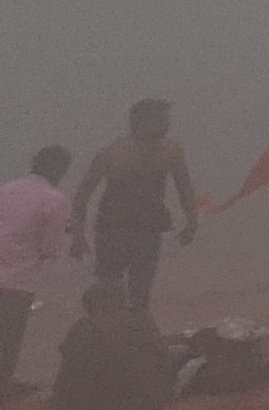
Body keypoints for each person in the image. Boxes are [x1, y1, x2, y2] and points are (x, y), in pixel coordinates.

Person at [66, 102, 196, 316]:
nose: (167, 124)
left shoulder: (171, 151)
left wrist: (192, 223)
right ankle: (108, 337)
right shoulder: (112, 153)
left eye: (166, 119)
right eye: (161, 120)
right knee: (109, 288)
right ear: (141, 123)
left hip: (148, 228)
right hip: (112, 228)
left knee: (141, 290)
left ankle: (138, 336)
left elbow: (185, 189)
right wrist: (78, 235)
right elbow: (82, 195)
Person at [41, 280, 175, 410]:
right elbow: (162, 358)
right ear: (122, 300)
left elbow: (67, 371)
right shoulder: (142, 321)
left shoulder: (82, 327)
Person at [0, 145, 70, 392]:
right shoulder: (54, 199)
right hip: (18, 280)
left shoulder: (6, 189)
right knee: (9, 337)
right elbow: (50, 249)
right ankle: (4, 387)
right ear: (62, 171)